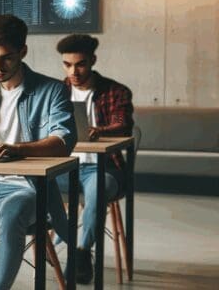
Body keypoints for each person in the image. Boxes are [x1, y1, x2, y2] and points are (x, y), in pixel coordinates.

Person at [0, 14, 76, 290]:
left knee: (12, 208)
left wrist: (17, 150)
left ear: (22, 51)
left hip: (31, 190)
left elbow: (63, 141)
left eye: (6, 58)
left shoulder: (52, 90)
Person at [55, 33, 134, 284]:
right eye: (67, 65)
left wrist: (100, 130)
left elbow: (123, 125)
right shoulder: (57, 91)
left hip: (103, 167)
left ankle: (80, 253)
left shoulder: (115, 91)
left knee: (97, 189)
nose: (73, 71)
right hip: (65, 167)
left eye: (80, 64)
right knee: (32, 184)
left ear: (92, 61)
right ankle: (56, 243)